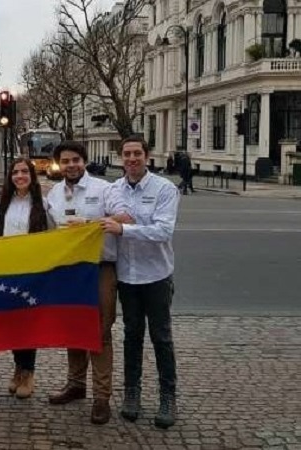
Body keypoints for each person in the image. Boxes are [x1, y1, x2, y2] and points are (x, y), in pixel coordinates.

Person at [46, 141, 132, 425]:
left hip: (99, 267)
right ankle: (76, 384)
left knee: (99, 332)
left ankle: (101, 397)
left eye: (76, 160)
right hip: (69, 269)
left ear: (84, 161)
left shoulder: (104, 189)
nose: (71, 165)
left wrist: (93, 224)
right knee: (73, 328)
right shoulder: (54, 194)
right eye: (66, 161)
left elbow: (127, 217)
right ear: (60, 164)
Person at [100, 135, 180, 429]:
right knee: (132, 336)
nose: (132, 159)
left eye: (137, 153)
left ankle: (167, 397)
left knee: (161, 338)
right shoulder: (114, 189)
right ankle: (131, 393)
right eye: (127, 154)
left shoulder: (164, 189)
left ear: (147, 155)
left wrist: (123, 229)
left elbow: (162, 231)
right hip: (127, 277)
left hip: (156, 275)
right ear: (121, 157)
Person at [0, 157, 49, 399]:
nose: (20, 176)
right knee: (13, 325)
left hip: (33, 273)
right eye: (15, 172)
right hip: (8, 271)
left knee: (28, 325)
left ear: (31, 175)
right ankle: (17, 368)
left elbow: (58, 233)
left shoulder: (43, 204)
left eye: (24, 172)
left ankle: (28, 372)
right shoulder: (4, 204)